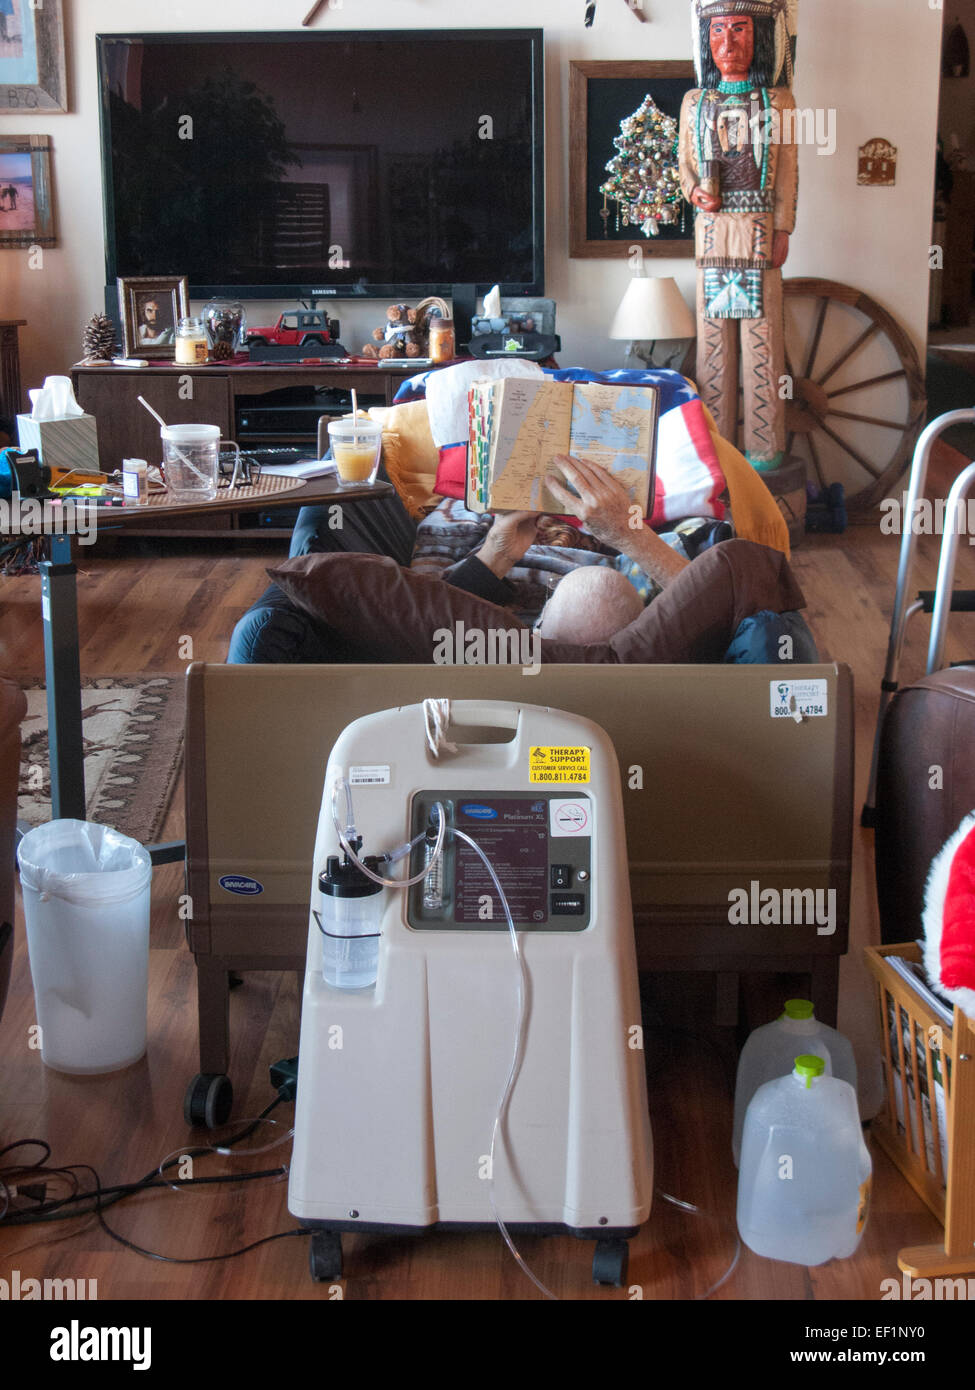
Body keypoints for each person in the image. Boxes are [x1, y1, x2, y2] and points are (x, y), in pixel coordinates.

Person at [678, 0, 799, 471]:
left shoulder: (779, 100)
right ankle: (717, 450)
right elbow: (684, 162)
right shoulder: (696, 101)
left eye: (741, 30)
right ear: (706, 39)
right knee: (713, 350)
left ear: (761, 36)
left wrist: (784, 225)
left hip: (758, 232)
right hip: (711, 236)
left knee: (762, 344)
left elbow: (786, 168)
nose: (728, 44)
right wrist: (694, 191)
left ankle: (765, 449)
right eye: (718, 32)